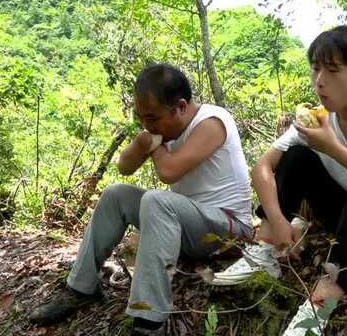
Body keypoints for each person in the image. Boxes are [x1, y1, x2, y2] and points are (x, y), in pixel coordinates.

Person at [212, 25, 347, 335]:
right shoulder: (318, 117)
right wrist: (278, 221)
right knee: (297, 157)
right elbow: (262, 167)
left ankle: (321, 304)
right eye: (316, 68)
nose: (319, 81)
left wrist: (333, 148)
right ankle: (264, 251)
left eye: (332, 70)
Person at [29, 63, 253, 335]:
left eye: (153, 118)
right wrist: (142, 142)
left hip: (228, 231)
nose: (147, 125)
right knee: (115, 194)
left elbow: (169, 172)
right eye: (141, 118)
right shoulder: (164, 130)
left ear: (181, 106)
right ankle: (80, 287)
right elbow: (124, 166)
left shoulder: (213, 121)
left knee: (157, 200)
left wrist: (153, 146)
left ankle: (149, 322)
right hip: (188, 230)